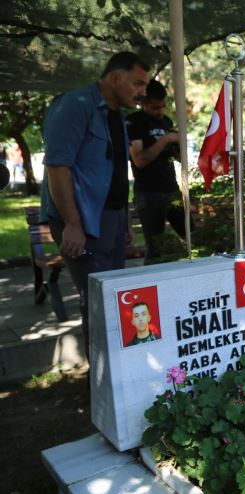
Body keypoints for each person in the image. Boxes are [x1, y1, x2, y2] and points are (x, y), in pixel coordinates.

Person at [43, 51, 150, 346]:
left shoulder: (116, 115)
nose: (143, 93)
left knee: (116, 301)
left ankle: (118, 379)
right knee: (99, 305)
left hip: (113, 220)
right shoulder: (75, 105)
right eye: (137, 84)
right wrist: (72, 223)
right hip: (84, 221)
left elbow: (117, 170)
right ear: (114, 78)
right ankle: (101, 386)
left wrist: (126, 219)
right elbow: (57, 166)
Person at [127, 79, 190, 263]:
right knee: (155, 246)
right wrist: (164, 140)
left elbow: (176, 156)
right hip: (149, 192)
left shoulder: (166, 121)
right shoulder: (134, 122)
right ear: (143, 103)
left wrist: (177, 143)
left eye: (163, 106)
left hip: (171, 187)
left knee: (191, 233)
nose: (160, 111)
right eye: (155, 107)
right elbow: (139, 160)